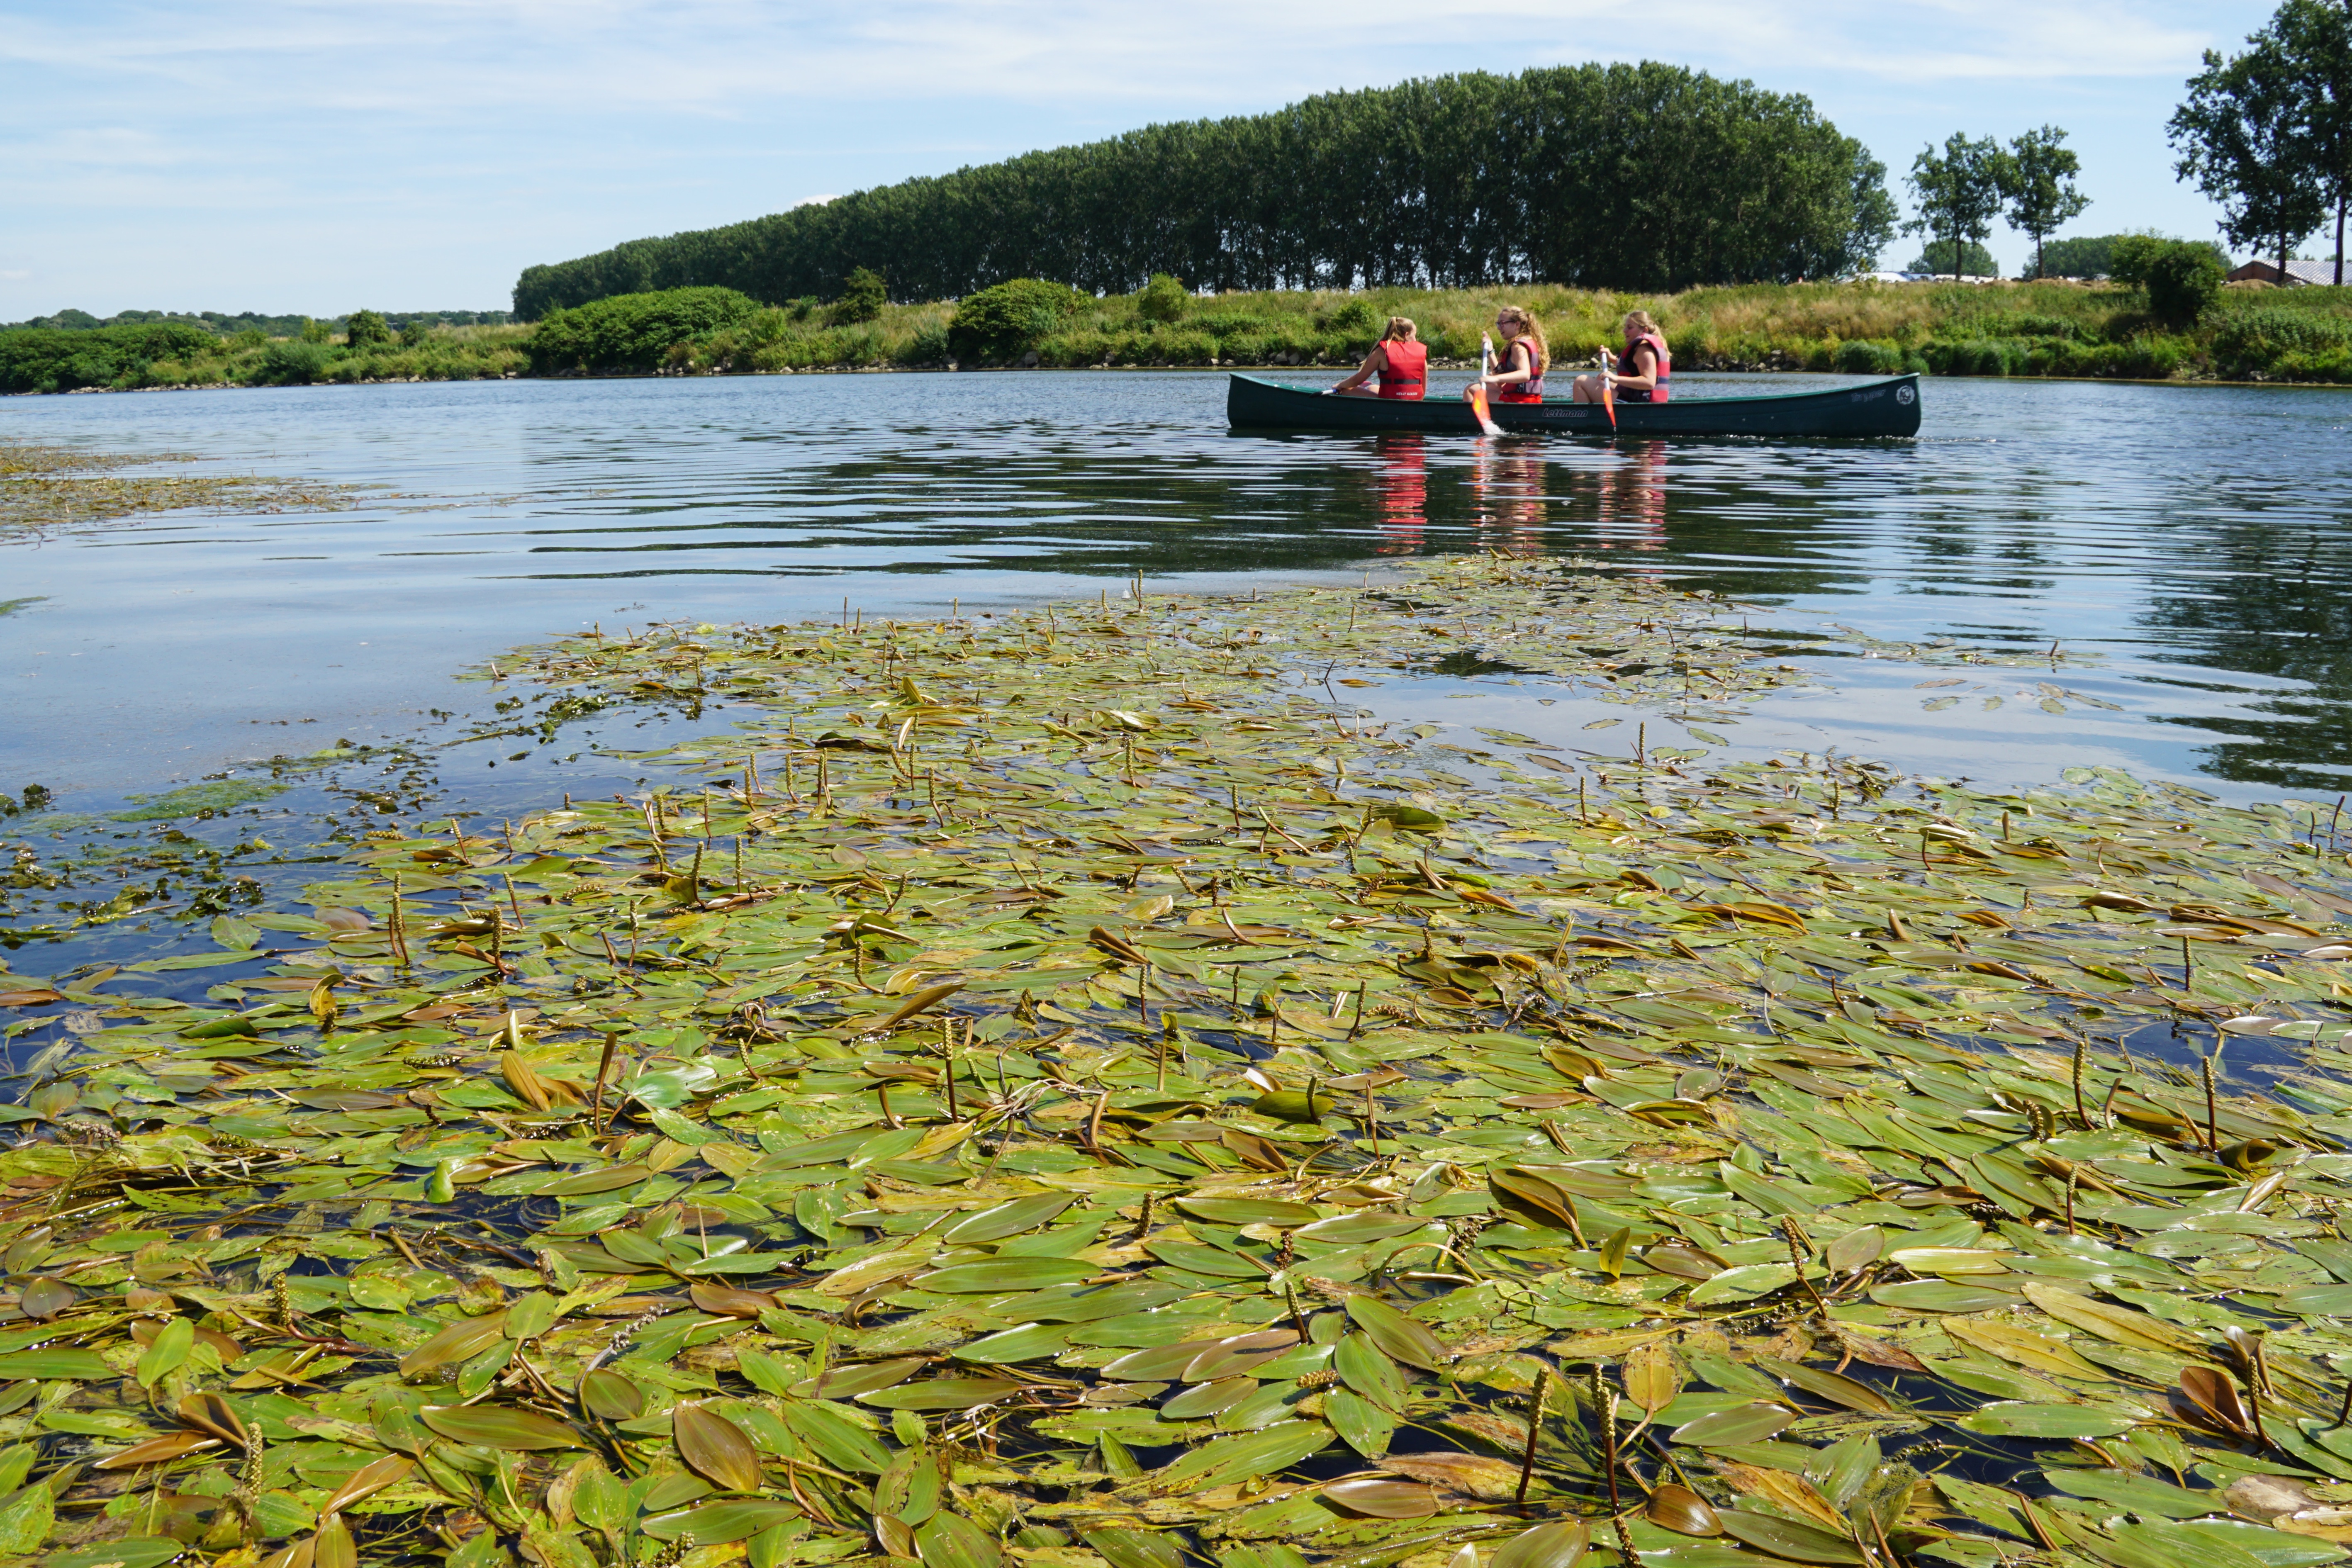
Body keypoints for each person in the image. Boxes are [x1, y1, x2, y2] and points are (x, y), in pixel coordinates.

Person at [1574, 309, 1671, 404]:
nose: (1625, 331)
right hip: (1636, 398)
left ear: (1644, 330)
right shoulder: (1641, 349)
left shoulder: (1644, 351)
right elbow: (1632, 367)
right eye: (1625, 327)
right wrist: (1611, 358)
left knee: (1581, 381)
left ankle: (1586, 415)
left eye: (1630, 328)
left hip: (1640, 405)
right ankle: (1597, 414)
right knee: (1601, 379)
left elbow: (1649, 383)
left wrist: (1615, 378)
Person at [1463, 306, 1546, 406]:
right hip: (1530, 400)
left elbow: (1525, 375)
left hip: (1518, 401)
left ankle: (1474, 417)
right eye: (1498, 324)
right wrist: (1490, 351)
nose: (1499, 328)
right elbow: (1498, 373)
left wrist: (1495, 379)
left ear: (1517, 324)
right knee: (1492, 384)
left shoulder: (1518, 347)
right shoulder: (1527, 341)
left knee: (1471, 389)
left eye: (1503, 323)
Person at [1329, 317, 1428, 399]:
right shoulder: (1421, 355)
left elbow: (1357, 380)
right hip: (1416, 400)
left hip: (1390, 401)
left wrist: (1339, 385)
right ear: (1406, 335)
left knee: (1345, 390)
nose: (1416, 339)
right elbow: (1423, 391)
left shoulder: (1382, 352)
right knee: (1372, 388)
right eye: (1415, 335)